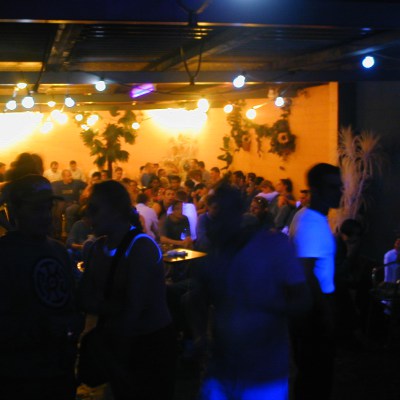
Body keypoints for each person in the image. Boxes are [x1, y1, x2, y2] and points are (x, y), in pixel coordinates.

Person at [190, 183, 310, 400]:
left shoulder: (274, 246)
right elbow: (197, 297)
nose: (215, 220)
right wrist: (200, 337)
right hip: (222, 371)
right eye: (212, 212)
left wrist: (263, 304)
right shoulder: (213, 256)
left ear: (239, 213)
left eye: (222, 212)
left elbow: (302, 299)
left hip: (264, 371)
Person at [78, 180, 175, 400]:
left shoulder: (141, 246)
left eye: (94, 209)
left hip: (149, 344)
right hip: (119, 340)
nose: (87, 216)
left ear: (115, 210)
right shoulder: (96, 249)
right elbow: (83, 299)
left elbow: (134, 309)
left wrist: (104, 306)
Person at [0, 174, 84, 399]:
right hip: (21, 376)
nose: (46, 215)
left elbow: (70, 301)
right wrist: (43, 328)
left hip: (59, 369)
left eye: (48, 207)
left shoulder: (58, 250)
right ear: (15, 211)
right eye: (37, 209)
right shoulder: (5, 255)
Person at [289, 163, 343, 400]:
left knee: (312, 374)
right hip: (313, 309)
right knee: (316, 376)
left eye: (339, 187)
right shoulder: (310, 223)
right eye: (333, 187)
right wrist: (325, 311)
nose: (339, 192)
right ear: (316, 190)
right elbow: (306, 271)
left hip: (312, 307)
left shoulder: (310, 217)